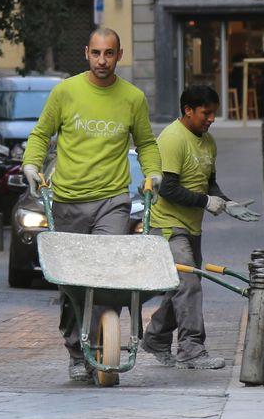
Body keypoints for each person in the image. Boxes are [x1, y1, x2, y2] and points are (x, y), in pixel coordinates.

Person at [22, 28, 162, 382]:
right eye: (97, 53)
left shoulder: (133, 98)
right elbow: (41, 134)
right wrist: (30, 165)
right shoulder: (65, 92)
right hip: (68, 200)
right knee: (71, 282)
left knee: (107, 274)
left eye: (109, 54)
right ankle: (75, 347)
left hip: (112, 202)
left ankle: (102, 338)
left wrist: (154, 173)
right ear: (87, 53)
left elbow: (146, 143)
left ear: (120, 55)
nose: (102, 61)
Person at [141, 85, 261, 370]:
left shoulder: (208, 142)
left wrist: (227, 203)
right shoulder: (172, 139)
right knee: (189, 284)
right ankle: (191, 349)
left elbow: (209, 183)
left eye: (213, 113)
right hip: (168, 227)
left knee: (181, 288)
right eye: (206, 113)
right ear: (188, 110)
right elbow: (168, 188)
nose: (211, 119)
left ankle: (156, 337)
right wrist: (207, 202)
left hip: (192, 227)